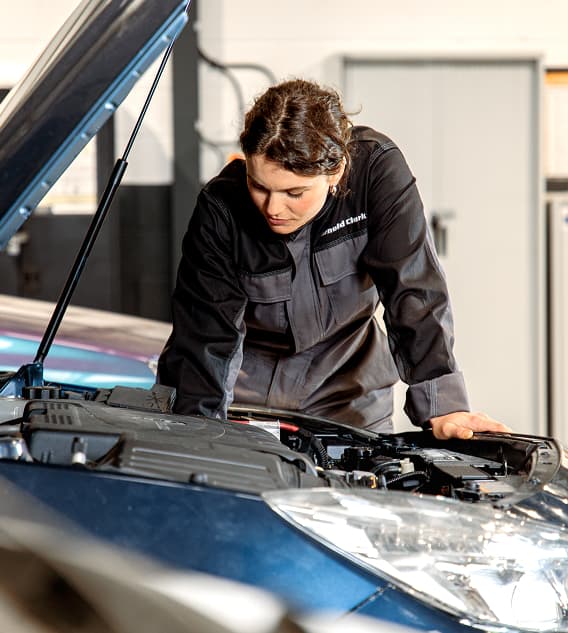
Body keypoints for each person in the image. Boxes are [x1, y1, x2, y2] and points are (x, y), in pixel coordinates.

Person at [158, 78, 510, 440]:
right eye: (259, 186)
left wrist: (444, 405)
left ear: (335, 172)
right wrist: (199, 431)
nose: (273, 208)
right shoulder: (221, 209)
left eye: (294, 192)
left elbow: (414, 290)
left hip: (349, 396)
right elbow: (206, 336)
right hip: (246, 400)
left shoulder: (376, 172)